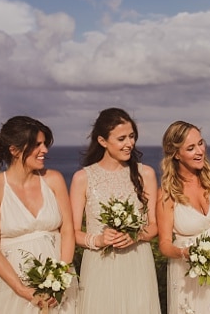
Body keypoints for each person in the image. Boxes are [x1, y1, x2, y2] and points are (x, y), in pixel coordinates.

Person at [0, 115, 76, 314]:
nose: (44, 150)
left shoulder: (54, 179)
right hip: (14, 288)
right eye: (37, 145)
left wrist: (60, 279)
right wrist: (23, 290)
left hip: (58, 287)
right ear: (14, 150)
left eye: (44, 144)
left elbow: (67, 231)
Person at [68, 108, 159, 313]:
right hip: (100, 265)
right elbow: (72, 233)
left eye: (132, 136)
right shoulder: (83, 178)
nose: (129, 144)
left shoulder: (146, 174)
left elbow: (155, 226)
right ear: (102, 141)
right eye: (121, 138)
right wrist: (98, 240)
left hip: (138, 264)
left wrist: (136, 236)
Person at [157, 121, 210, 314]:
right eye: (191, 148)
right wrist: (184, 253)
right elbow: (164, 244)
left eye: (201, 143)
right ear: (176, 154)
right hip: (191, 280)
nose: (199, 151)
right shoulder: (167, 193)